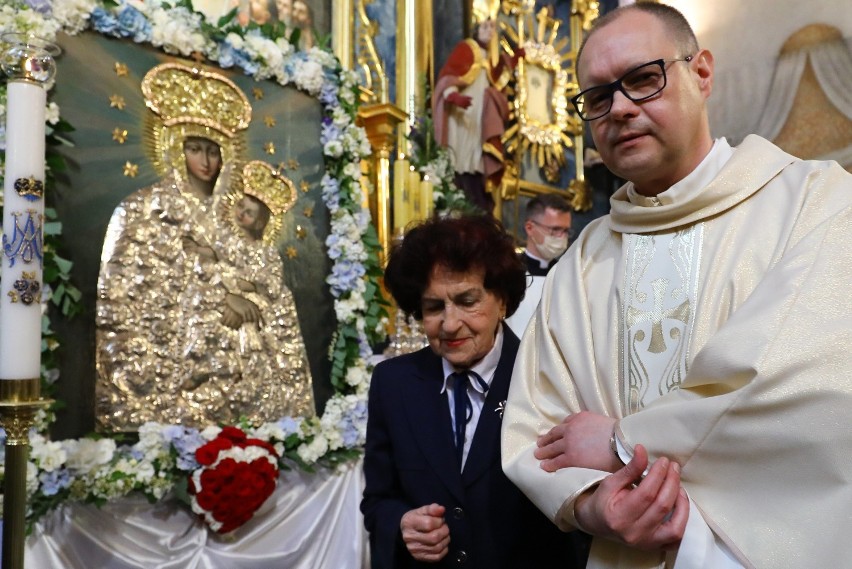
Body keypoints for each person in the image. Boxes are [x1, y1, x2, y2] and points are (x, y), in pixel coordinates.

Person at [501, 3, 852, 569]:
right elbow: (535, 432)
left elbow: (820, 389)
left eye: (643, 79)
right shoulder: (577, 268)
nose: (618, 109)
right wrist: (595, 507)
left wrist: (623, 440)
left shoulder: (818, 205)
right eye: (597, 97)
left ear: (702, 73)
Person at [361, 216, 590, 568]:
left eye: (467, 301)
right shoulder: (394, 383)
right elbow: (378, 500)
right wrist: (402, 523)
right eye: (434, 307)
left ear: (501, 301)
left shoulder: (549, 377)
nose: (450, 324)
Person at [432, 9, 521, 214]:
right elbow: (449, 75)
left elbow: (497, 81)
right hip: (462, 116)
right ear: (476, 29)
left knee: (477, 156)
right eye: (485, 26)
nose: (490, 31)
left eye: (492, 28)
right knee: (460, 155)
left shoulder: (489, 57)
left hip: (479, 117)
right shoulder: (466, 48)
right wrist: (454, 96)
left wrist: (514, 59)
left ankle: (474, 192)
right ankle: (459, 189)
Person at [505, 193, 572, 337]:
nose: (561, 237)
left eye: (565, 231)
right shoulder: (509, 272)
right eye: (555, 230)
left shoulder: (568, 274)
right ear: (530, 228)